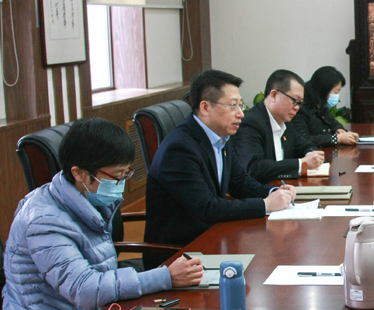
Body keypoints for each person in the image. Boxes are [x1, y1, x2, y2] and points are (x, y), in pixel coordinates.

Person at [3, 118, 204, 310]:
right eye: (117, 176)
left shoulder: (89, 195)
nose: (121, 183)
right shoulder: (44, 221)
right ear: (79, 173)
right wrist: (164, 277)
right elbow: (85, 290)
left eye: (126, 173)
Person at [145, 70, 296, 259]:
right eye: (233, 105)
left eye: (240, 105)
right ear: (205, 107)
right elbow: (207, 208)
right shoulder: (179, 149)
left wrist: (274, 192)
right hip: (181, 255)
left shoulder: (221, 137)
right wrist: (265, 204)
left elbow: (239, 182)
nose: (241, 113)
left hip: (213, 238)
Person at [234, 69, 325, 183]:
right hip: (263, 191)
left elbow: (305, 145)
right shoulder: (251, 123)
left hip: (284, 187)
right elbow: (253, 168)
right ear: (274, 95)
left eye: (300, 103)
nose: (297, 107)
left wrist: (312, 154)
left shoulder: (285, 121)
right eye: (295, 101)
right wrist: (301, 164)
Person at [293, 66, 359, 147]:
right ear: (323, 90)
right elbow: (304, 139)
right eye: (335, 92)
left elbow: (334, 123)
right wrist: (336, 139)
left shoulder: (321, 106)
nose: (337, 96)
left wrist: (339, 129)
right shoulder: (300, 108)